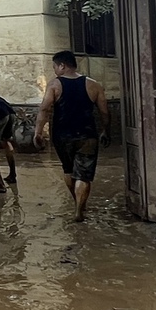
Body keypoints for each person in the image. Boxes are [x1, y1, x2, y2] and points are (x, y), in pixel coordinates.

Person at [38, 51, 108, 221]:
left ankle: (77, 203)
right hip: (87, 135)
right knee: (84, 174)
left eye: (55, 66)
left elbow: (44, 109)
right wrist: (106, 130)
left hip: (62, 136)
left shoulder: (54, 85)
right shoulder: (94, 85)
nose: (54, 70)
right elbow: (104, 111)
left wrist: (38, 132)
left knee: (68, 169)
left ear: (62, 65)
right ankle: (79, 209)